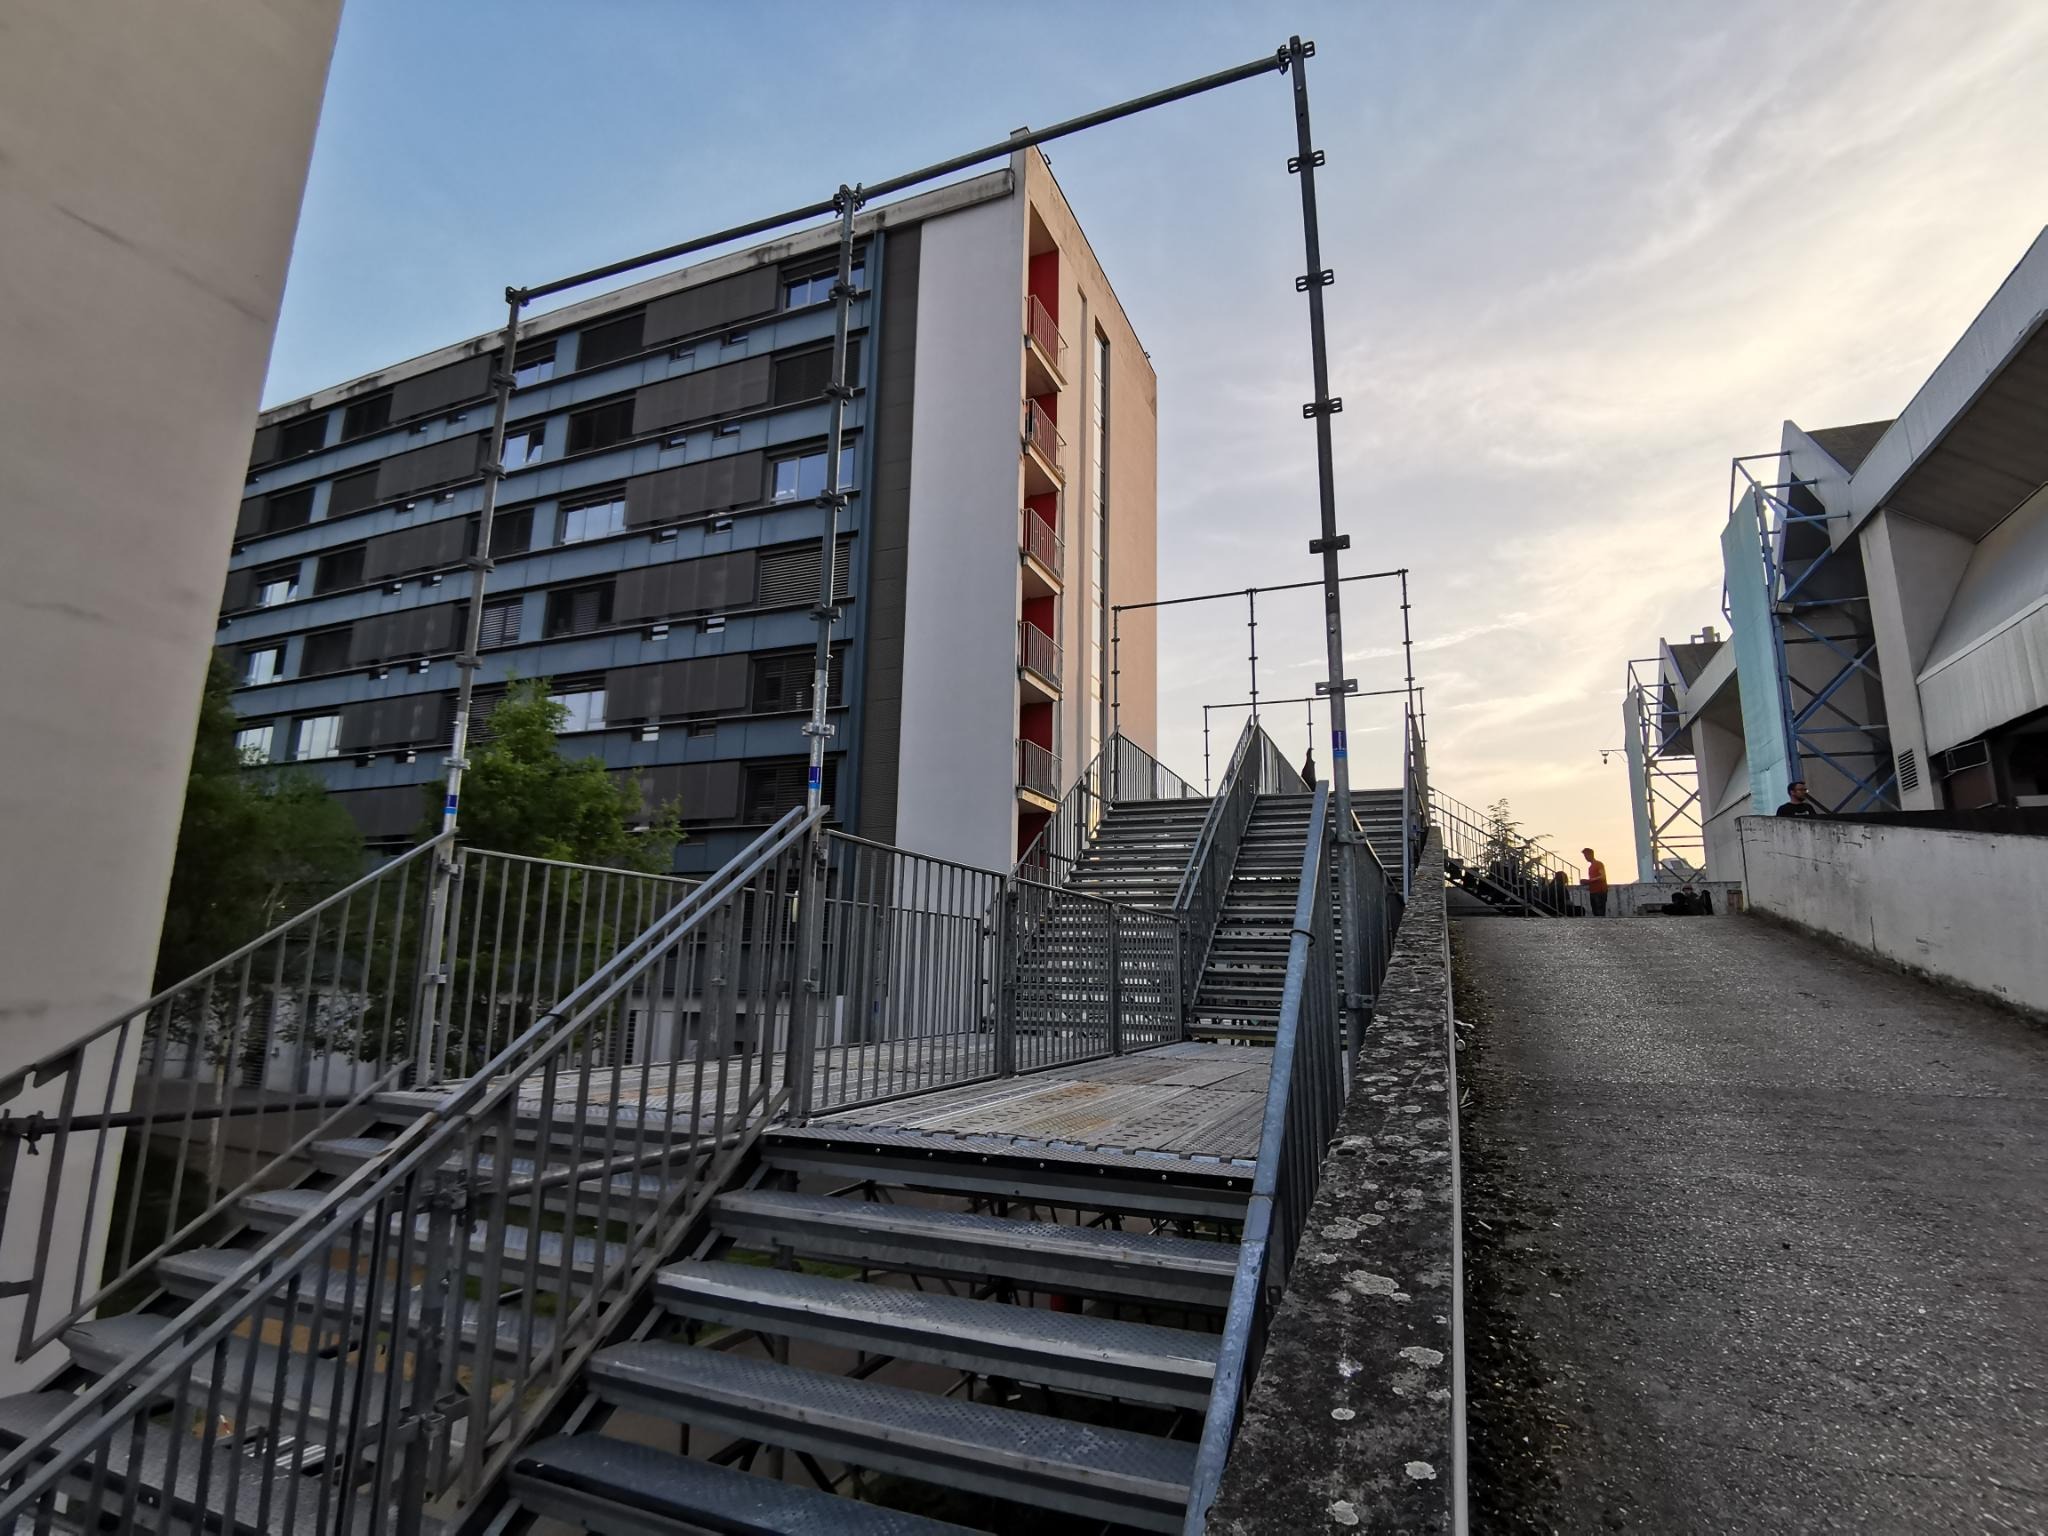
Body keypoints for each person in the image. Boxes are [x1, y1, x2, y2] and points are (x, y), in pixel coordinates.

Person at [1581, 847, 1609, 917]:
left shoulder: (1598, 864)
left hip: (1600, 891)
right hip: (1593, 892)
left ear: (1591, 855)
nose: (1585, 858)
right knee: (1595, 912)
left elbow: (1602, 876)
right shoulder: (1590, 867)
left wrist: (1589, 881)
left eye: (1586, 855)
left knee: (1600, 912)